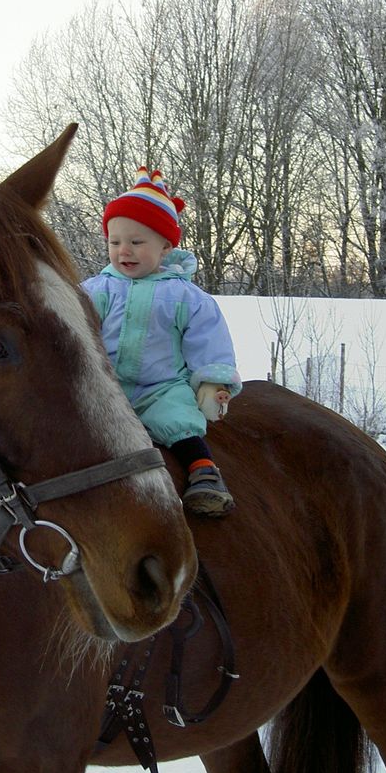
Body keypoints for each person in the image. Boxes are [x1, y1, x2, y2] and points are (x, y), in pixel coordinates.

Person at [82, 167, 242, 516]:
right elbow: (76, 330)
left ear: (166, 246)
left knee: (179, 420)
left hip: (161, 386)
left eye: (137, 242)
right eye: (115, 242)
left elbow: (207, 341)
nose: (124, 250)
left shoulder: (185, 296)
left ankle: (203, 473)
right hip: (105, 385)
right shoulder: (97, 290)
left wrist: (212, 382)